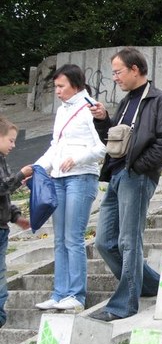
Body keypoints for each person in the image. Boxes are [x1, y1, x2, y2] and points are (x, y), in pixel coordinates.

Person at [89, 47, 162, 321]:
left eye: (118, 72)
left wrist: (139, 167)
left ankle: (124, 306)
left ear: (135, 69)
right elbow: (115, 141)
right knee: (104, 242)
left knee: (129, 241)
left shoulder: (161, 102)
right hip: (116, 175)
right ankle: (153, 286)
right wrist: (103, 120)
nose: (114, 77)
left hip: (137, 177)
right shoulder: (126, 102)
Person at [33, 64, 106, 312]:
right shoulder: (62, 110)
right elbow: (56, 145)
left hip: (81, 177)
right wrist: (37, 167)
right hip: (58, 178)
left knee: (73, 238)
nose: (57, 91)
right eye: (55, 86)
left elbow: (102, 146)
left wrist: (77, 159)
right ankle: (59, 293)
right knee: (60, 239)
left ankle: (76, 294)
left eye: (61, 86)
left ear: (75, 85)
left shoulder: (90, 108)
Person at [0, 116, 33, 326]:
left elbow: (4, 197)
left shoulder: (2, 160)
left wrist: (16, 217)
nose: (14, 145)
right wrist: (20, 175)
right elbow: (2, 187)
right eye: (10, 140)